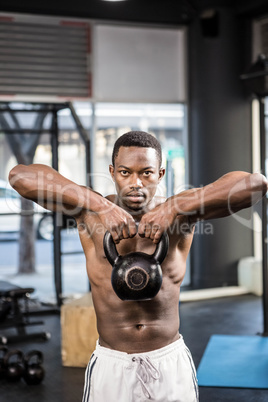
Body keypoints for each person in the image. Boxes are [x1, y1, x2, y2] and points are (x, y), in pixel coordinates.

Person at [9, 131, 267, 402]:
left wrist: (175, 206)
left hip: (168, 362)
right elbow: (19, 176)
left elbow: (256, 184)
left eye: (146, 173)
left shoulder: (183, 215)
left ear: (161, 173)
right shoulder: (89, 213)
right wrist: (101, 204)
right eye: (125, 172)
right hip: (112, 365)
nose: (136, 183)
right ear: (111, 171)